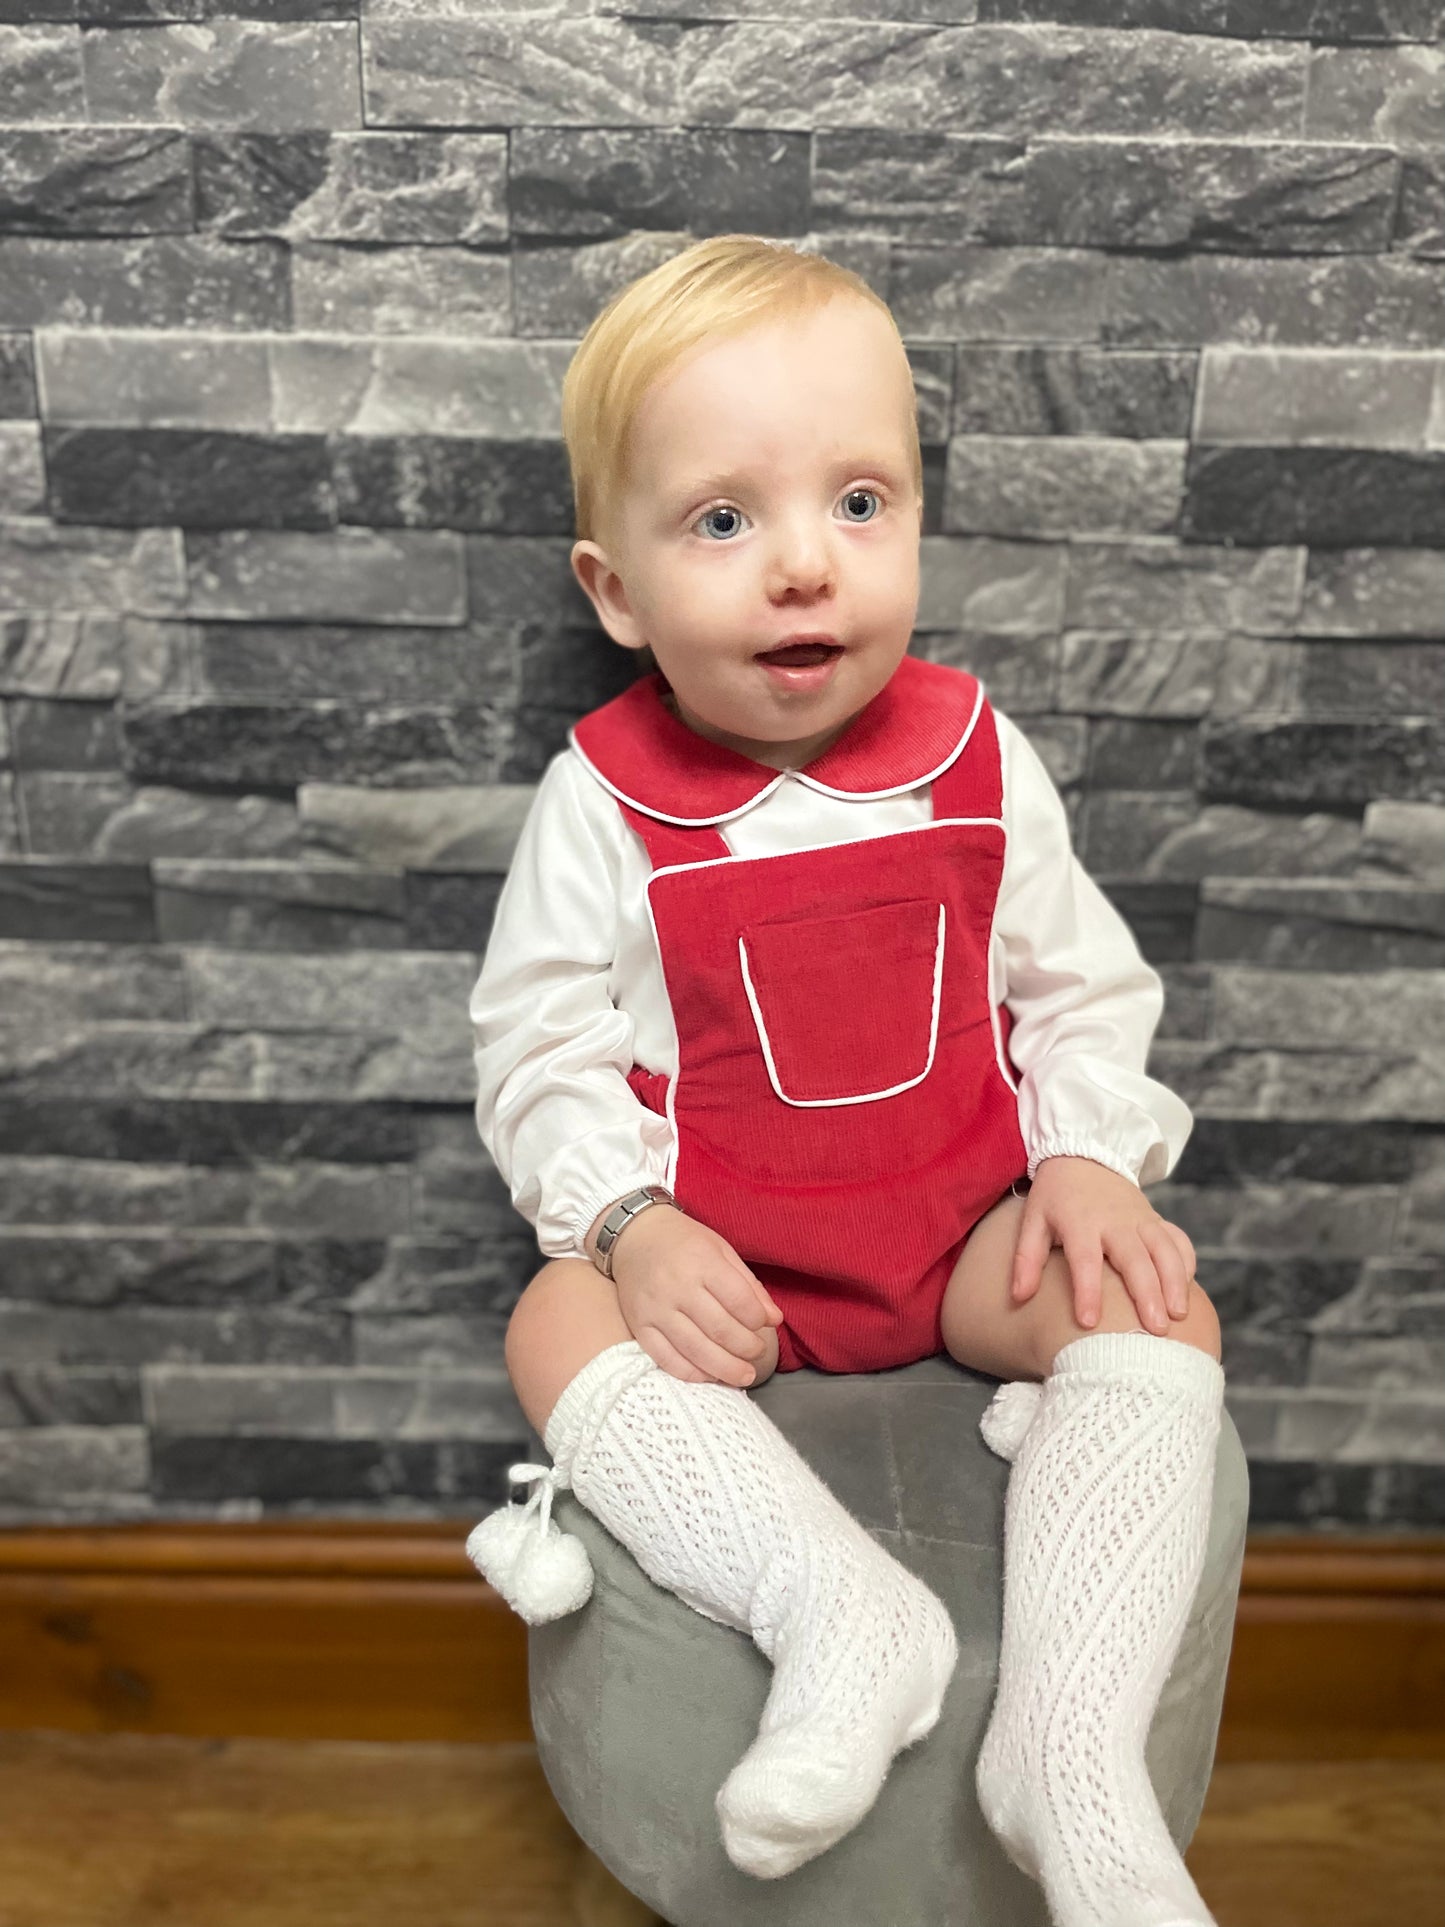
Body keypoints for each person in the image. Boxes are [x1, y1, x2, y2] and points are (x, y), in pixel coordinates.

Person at [465, 233, 1227, 1926]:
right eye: (723, 520)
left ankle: (1071, 1752)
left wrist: (1088, 1163)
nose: (804, 566)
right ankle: (838, 1611)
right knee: (549, 1322)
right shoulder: (600, 802)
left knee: (1160, 1314)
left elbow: (1077, 988)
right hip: (729, 1277)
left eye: (859, 503)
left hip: (960, 1240)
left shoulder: (972, 753)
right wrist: (634, 1227)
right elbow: (538, 1049)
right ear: (615, 590)